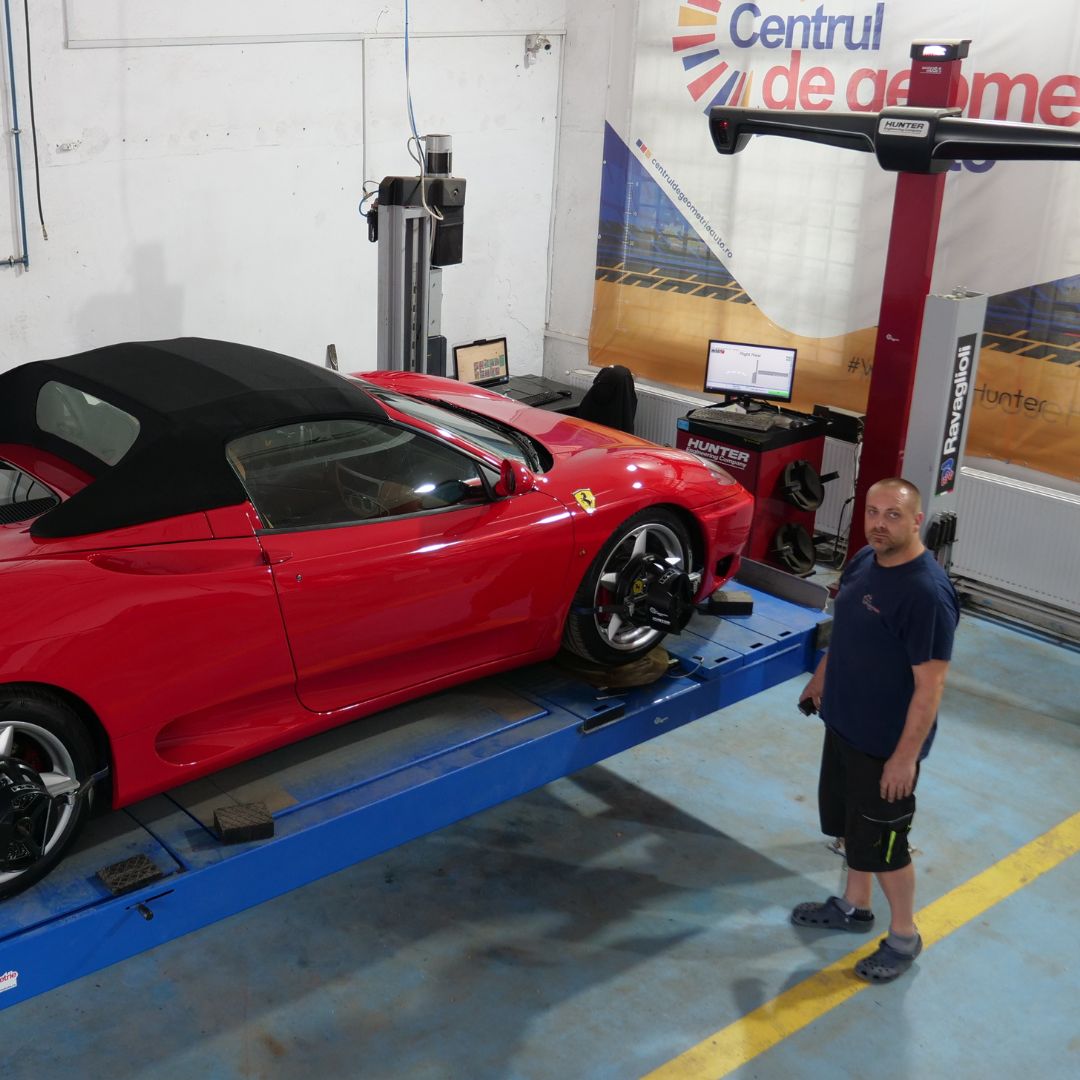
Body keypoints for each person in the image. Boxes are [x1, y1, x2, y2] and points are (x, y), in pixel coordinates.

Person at [792, 477, 960, 983]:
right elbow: (846, 631)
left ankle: (904, 937)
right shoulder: (866, 559)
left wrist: (904, 758)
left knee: (887, 848)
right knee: (852, 829)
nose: (879, 524)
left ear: (917, 521)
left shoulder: (926, 594)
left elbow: (930, 687)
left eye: (893, 515)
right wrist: (820, 679)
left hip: (885, 746)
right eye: (872, 511)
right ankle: (854, 905)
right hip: (845, 724)